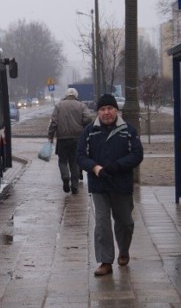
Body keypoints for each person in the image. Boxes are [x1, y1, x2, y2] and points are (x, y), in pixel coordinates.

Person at [77, 94, 144, 276]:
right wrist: (95, 167)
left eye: (110, 109)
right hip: (99, 184)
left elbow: (137, 155)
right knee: (102, 223)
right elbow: (81, 156)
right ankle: (105, 261)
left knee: (125, 222)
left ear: (116, 110)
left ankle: (123, 250)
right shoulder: (89, 132)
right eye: (103, 109)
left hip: (121, 183)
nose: (107, 113)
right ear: (98, 112)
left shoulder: (128, 130)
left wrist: (117, 166)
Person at [47, 88, 93, 194]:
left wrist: (50, 136)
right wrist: (83, 127)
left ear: (66, 95)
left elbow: (53, 122)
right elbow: (88, 118)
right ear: (76, 95)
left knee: (62, 161)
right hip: (78, 139)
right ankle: (75, 186)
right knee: (75, 162)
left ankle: (65, 176)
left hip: (62, 139)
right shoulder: (81, 105)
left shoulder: (59, 106)